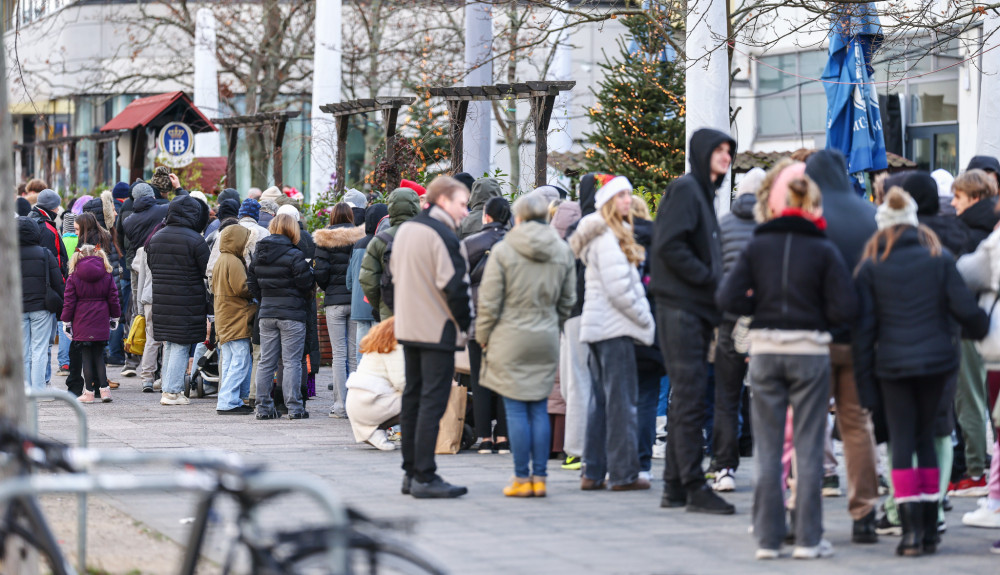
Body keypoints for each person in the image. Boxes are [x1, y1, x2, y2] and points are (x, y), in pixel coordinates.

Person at [717, 160, 856, 560]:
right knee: (809, 448)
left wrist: (757, 304)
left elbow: (726, 298)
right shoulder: (823, 248)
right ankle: (809, 539)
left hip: (764, 352)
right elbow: (846, 307)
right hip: (809, 352)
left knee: (769, 447)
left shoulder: (758, 243)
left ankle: (767, 538)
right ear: (813, 205)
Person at [854, 188, 988, 556]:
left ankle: (910, 531)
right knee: (927, 440)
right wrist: (983, 325)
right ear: (912, 222)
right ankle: (930, 526)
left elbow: (863, 334)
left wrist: (864, 387)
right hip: (936, 366)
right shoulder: (939, 258)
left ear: (883, 225)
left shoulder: (871, 265)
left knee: (901, 444)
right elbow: (966, 312)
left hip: (892, 367)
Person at [651, 127, 736, 514]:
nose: (725, 156)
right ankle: (692, 484)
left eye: (728, 150)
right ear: (702, 153)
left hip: (691, 310)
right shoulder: (687, 190)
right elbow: (669, 246)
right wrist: (709, 278)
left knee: (687, 399)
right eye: (718, 149)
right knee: (688, 401)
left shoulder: (701, 194)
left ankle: (674, 485)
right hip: (682, 309)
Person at [804, 150, 882, 544]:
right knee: (857, 425)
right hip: (860, 339)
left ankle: (803, 512)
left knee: (808, 423)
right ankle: (865, 512)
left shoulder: (811, 219)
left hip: (815, 337)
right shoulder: (870, 215)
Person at [476, 193, 576, 497]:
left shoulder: (505, 250)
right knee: (538, 406)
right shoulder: (561, 250)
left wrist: (483, 336)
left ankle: (521, 477)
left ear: (518, 218)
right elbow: (568, 300)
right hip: (546, 336)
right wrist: (553, 323)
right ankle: (541, 477)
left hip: (510, 337)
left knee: (517, 408)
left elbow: (489, 301)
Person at [569, 176, 654, 492]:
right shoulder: (607, 237)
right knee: (620, 402)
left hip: (599, 327)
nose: (627, 201)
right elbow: (620, 289)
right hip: (613, 327)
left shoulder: (603, 234)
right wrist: (645, 319)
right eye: (620, 196)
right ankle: (623, 473)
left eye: (629, 195)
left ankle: (593, 471)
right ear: (606, 202)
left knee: (602, 402)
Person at [392, 176, 473, 498]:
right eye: (461, 204)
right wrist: (467, 325)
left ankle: (411, 472)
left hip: (409, 327)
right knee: (432, 401)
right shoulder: (444, 235)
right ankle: (425, 475)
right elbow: (455, 286)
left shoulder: (407, 230)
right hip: (437, 328)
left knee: (413, 398)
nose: (465, 212)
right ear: (443, 201)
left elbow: (392, 277)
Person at [711, 167, 766, 492]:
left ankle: (724, 468)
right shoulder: (769, 225)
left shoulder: (722, 225)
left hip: (731, 318)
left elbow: (714, 272)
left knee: (727, 395)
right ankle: (774, 467)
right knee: (768, 393)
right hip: (766, 318)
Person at [950, 169, 999, 496]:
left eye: (957, 197)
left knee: (969, 397)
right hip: (988, 322)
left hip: (975, 324)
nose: (953, 204)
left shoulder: (966, 231)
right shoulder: (990, 227)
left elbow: (961, 276)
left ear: (974, 197)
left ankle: (976, 470)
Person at [248, 213, 315, 420]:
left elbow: (252, 284)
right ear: (292, 230)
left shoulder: (259, 253)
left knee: (266, 361)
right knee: (292, 361)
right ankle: (294, 407)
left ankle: (263, 408)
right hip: (292, 314)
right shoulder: (295, 255)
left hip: (267, 313)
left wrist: (265, 299)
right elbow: (307, 285)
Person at [146, 195, 210, 406]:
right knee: (181, 345)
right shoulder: (195, 239)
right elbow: (207, 270)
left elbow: (152, 267)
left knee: (170, 344)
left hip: (163, 299)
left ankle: (168, 387)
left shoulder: (156, 237)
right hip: (187, 300)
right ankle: (172, 392)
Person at [462, 196, 512, 454]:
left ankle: (484, 438)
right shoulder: (515, 244)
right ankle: (503, 436)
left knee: (479, 380)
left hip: (476, 321)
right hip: (508, 323)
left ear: (486, 217)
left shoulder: (469, 243)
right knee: (505, 379)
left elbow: (457, 283)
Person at [560, 174, 603, 471]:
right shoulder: (609, 228)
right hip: (603, 313)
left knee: (576, 381)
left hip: (575, 313)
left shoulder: (577, 230)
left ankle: (576, 448)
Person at [314, 202, 366, 417]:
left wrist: (329, 290)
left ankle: (339, 405)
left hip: (334, 301)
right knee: (354, 354)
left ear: (333, 216)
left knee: (338, 355)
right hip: (354, 301)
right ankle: (356, 405)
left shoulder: (324, 238)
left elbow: (321, 272)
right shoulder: (360, 237)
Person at [62, 245, 121, 403]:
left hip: (82, 318)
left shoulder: (74, 275)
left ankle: (89, 392)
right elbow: (113, 297)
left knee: (86, 356)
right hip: (101, 317)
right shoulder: (106, 273)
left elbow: (69, 301)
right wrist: (115, 317)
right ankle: (105, 391)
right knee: (99, 355)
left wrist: (66, 321)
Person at [212, 225, 257, 415]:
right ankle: (228, 401)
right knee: (240, 360)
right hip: (236, 316)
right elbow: (242, 288)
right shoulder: (234, 261)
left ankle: (229, 398)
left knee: (230, 360)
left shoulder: (221, 259)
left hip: (224, 315)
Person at [360, 188, 421, 321]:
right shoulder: (428, 236)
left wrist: (381, 305)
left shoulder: (379, 241)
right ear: (416, 206)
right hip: (422, 315)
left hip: (389, 315)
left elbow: (368, 280)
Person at [19, 217, 64, 392]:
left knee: (23, 351)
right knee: (39, 349)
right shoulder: (45, 253)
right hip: (41, 308)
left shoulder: (6, 254)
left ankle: (25, 390)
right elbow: (57, 282)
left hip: (18, 309)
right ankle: (38, 389)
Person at [346, 318, 405, 450]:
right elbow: (401, 382)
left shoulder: (377, 347)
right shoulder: (395, 347)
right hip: (369, 404)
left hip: (358, 403)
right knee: (418, 399)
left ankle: (374, 431)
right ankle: (376, 431)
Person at [347, 203, 389, 363]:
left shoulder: (357, 244)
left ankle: (361, 385)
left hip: (359, 304)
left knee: (361, 354)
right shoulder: (385, 243)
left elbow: (349, 281)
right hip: (379, 305)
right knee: (380, 354)